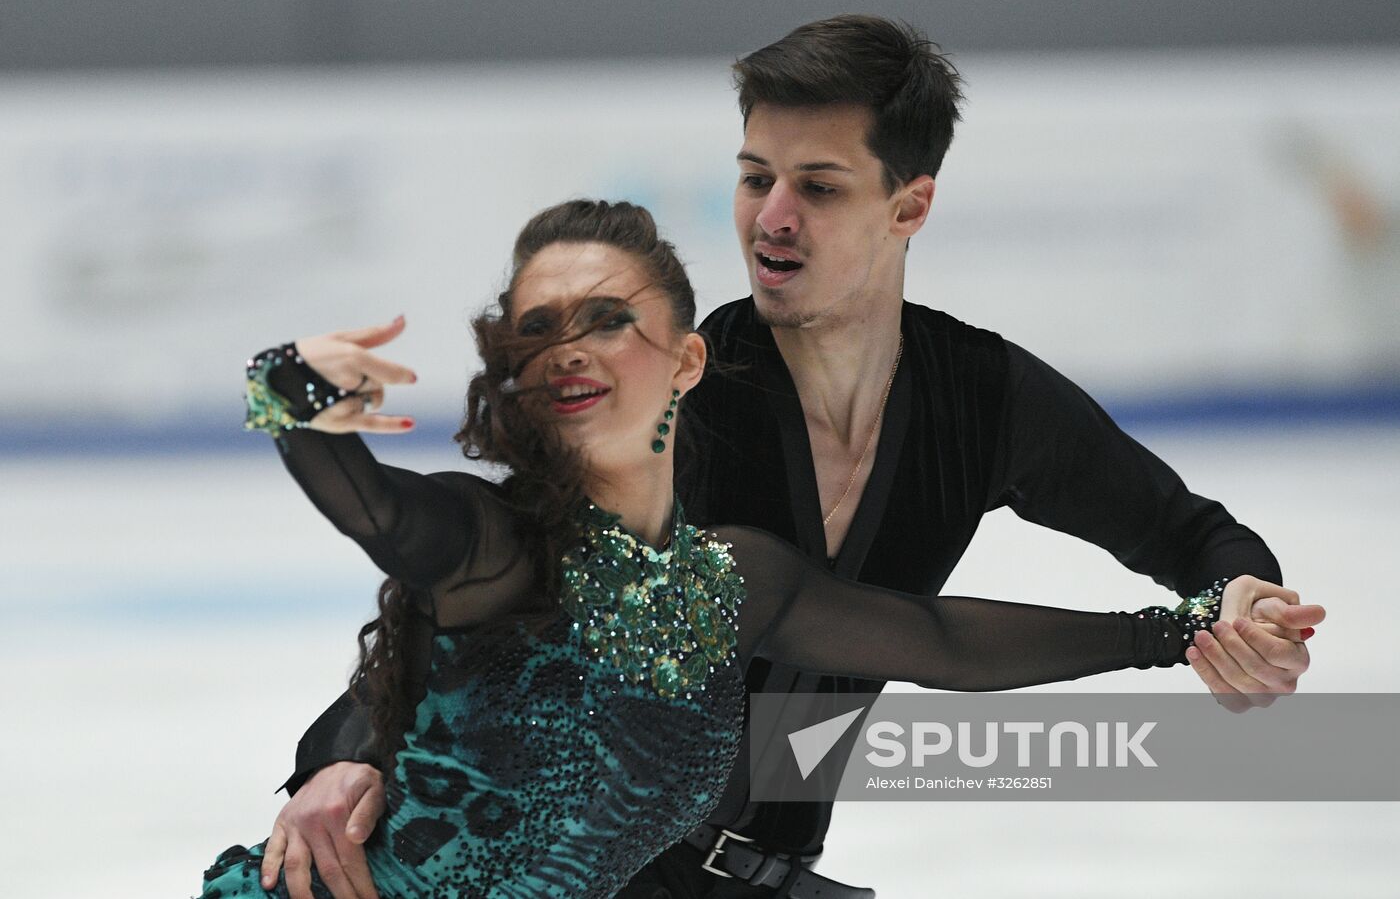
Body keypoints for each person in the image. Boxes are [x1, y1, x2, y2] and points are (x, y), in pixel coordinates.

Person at [263, 17, 1325, 899]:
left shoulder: (983, 399)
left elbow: (1185, 534)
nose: (770, 218)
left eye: (816, 186)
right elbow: (481, 575)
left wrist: (1238, 611)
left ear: (906, 205)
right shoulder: (681, 379)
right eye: (753, 176)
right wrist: (343, 750)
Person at [200, 199, 1234, 899]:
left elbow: (937, 639)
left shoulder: (732, 577)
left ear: (687, 358)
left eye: (609, 320)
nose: (571, 346)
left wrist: (1175, 631)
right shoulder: (496, 544)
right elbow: (376, 510)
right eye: (541, 328)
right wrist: (291, 389)